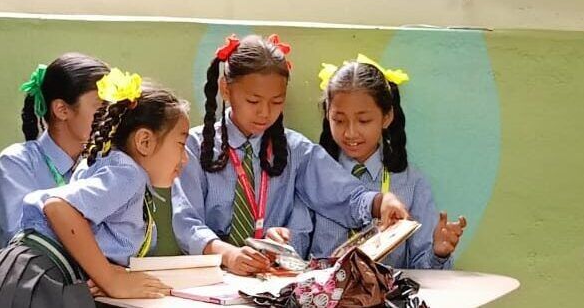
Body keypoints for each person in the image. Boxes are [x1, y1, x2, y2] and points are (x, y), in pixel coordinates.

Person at [172, 35, 409, 276]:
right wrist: (229, 254)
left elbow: (342, 195)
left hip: (270, 280)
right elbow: (187, 223)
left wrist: (381, 203)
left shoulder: (296, 150)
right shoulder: (193, 146)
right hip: (211, 278)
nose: (264, 113)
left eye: (277, 102)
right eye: (253, 101)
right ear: (226, 89)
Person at [0, 69, 189, 307]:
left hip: (23, 273)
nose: (185, 159)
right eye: (181, 144)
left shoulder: (106, 162)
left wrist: (103, 271)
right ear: (144, 141)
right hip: (36, 279)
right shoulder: (128, 174)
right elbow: (59, 207)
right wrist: (110, 279)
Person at [309, 54, 467, 268]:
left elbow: (421, 269)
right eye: (339, 120)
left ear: (387, 117)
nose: (350, 132)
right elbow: (297, 253)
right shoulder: (313, 176)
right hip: (323, 297)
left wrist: (438, 253)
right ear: (327, 115)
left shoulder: (411, 183)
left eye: (364, 120)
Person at [0, 53, 109, 248]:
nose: (111, 115)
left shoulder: (106, 163)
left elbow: (131, 235)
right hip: (40, 277)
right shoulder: (17, 162)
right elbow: (28, 238)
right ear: (62, 109)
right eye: (101, 106)